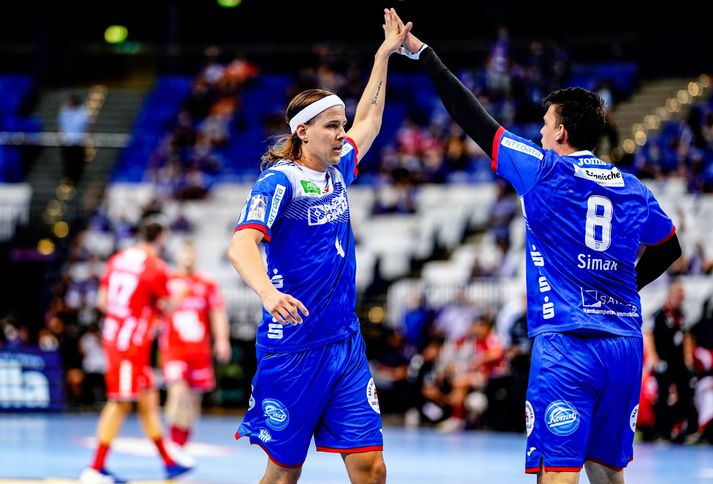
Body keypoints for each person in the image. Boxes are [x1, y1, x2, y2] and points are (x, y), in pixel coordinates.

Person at [393, 11, 682, 484]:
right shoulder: (634, 189)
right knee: (609, 475)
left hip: (569, 345)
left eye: (546, 124)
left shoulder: (544, 169)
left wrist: (424, 54)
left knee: (557, 473)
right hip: (625, 346)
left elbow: (473, 119)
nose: (542, 132)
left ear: (562, 132)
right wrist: (630, 283)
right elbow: (669, 248)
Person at [226, 9, 411, 483]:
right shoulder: (279, 181)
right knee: (285, 474)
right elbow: (242, 244)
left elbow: (370, 119)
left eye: (340, 124)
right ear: (302, 132)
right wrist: (268, 294)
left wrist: (383, 55)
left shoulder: (335, 170)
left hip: (344, 344)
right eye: (331, 126)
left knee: (371, 467)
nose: (341, 133)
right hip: (293, 349)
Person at [80, 217, 192, 484]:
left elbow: (103, 302)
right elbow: (167, 306)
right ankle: (94, 469)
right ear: (161, 238)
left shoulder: (118, 258)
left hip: (118, 338)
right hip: (130, 344)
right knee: (119, 403)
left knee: (148, 400)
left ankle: (168, 462)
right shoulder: (156, 267)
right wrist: (181, 295)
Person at [160, 241, 232, 454]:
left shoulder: (207, 284)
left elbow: (217, 313)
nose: (188, 259)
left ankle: (181, 447)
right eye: (184, 254)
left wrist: (222, 340)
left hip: (199, 351)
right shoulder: (168, 281)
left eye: (191, 255)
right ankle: (173, 442)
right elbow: (158, 307)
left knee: (193, 401)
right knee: (178, 393)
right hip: (174, 349)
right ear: (178, 256)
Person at [643, 280, 697, 442]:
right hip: (663, 362)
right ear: (671, 295)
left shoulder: (681, 314)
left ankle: (678, 430)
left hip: (678, 363)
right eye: (679, 296)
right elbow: (648, 335)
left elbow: (687, 336)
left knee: (686, 393)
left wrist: (688, 359)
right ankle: (662, 432)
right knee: (663, 395)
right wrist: (654, 359)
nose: (682, 299)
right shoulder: (658, 314)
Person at [58, 94, 90, 185]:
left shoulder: (83, 112)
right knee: (67, 161)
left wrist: (87, 137)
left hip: (78, 141)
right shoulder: (64, 111)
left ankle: (77, 179)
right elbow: (61, 125)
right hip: (67, 141)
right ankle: (67, 178)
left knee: (78, 161)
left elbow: (87, 126)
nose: (68, 103)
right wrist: (61, 136)